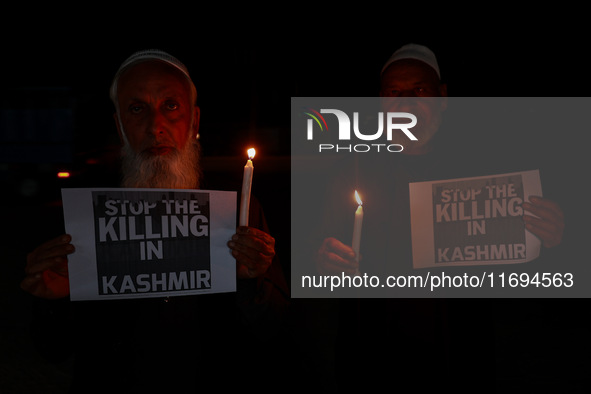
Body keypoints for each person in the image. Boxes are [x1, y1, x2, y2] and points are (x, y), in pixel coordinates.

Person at [20, 49, 289, 393]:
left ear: (194, 122)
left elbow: (273, 332)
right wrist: (53, 302)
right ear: (119, 126)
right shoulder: (83, 214)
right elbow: (52, 349)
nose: (155, 126)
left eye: (171, 106)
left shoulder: (239, 209)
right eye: (137, 109)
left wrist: (253, 283)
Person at [308, 43, 567, 392]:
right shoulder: (349, 172)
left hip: (459, 354)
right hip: (372, 353)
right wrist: (323, 258)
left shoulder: (480, 170)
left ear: (442, 97)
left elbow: (522, 268)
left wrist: (549, 236)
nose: (407, 103)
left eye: (419, 90)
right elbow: (318, 255)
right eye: (394, 93)